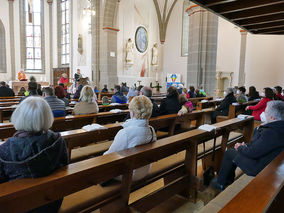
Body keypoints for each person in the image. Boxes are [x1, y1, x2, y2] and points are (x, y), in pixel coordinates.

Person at [0, 97, 68, 212]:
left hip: (18, 206)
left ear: (19, 116)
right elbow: (65, 166)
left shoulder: (5, 150)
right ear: (47, 117)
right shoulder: (57, 140)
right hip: (52, 201)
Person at [211, 101, 284, 191]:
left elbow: (254, 152)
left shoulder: (271, 132)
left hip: (259, 166)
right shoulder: (278, 127)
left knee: (230, 153)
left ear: (272, 117)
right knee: (233, 151)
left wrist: (240, 147)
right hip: (268, 161)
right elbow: (261, 146)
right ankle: (226, 180)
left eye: (265, 111)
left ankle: (220, 183)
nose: (263, 113)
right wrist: (245, 146)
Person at [104, 95, 157, 181]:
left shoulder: (125, 133)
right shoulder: (151, 130)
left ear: (132, 113)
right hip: (144, 170)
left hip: (128, 174)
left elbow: (109, 157)